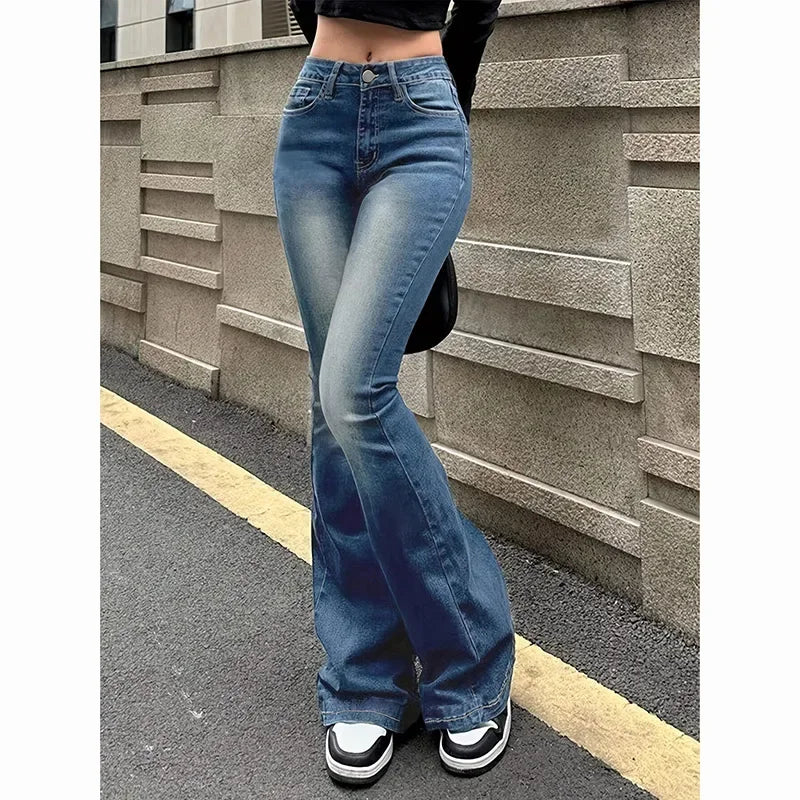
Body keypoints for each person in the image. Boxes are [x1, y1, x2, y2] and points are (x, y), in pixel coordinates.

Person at [272, 0, 513, 785]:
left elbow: (476, 4)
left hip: (420, 113)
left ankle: (468, 657)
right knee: (328, 409)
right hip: (315, 113)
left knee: (352, 391)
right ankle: (365, 677)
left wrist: (439, 86)